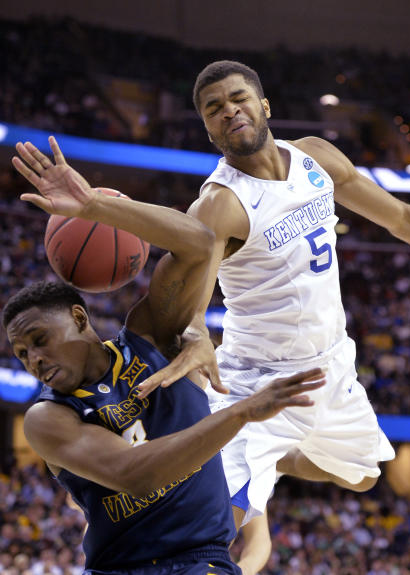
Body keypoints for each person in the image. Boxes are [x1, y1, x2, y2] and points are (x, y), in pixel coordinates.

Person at [4, 136, 326, 574]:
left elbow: (199, 241)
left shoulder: (151, 336)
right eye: (21, 353)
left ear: (79, 317)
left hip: (200, 561)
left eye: (39, 340)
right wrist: (241, 413)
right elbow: (137, 475)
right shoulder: (48, 418)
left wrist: (95, 208)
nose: (33, 359)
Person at [136, 60, 410, 528]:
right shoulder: (218, 204)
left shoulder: (317, 159)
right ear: (208, 129)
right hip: (257, 379)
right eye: (214, 109)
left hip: (331, 362)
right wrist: (196, 336)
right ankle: (253, 455)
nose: (229, 111)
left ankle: (279, 458)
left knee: (363, 477)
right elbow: (194, 301)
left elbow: (401, 219)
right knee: (214, 524)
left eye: (237, 98)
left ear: (263, 104)